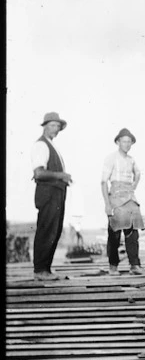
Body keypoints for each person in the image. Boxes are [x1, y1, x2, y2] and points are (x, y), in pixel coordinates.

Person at [30, 112, 73, 280]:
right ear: (45, 126)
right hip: (48, 194)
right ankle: (40, 270)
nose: (56, 129)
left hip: (56, 193)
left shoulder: (51, 145)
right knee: (46, 230)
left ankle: (45, 270)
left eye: (58, 126)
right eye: (53, 125)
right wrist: (60, 176)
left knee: (54, 231)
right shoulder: (41, 145)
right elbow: (39, 173)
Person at [101, 128, 145, 275]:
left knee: (133, 232)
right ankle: (113, 266)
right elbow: (103, 182)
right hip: (115, 195)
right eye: (124, 141)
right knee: (115, 232)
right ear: (118, 142)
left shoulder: (131, 160)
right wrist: (107, 204)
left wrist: (134, 185)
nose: (127, 144)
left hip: (130, 196)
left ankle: (134, 265)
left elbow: (138, 173)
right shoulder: (111, 158)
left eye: (129, 142)